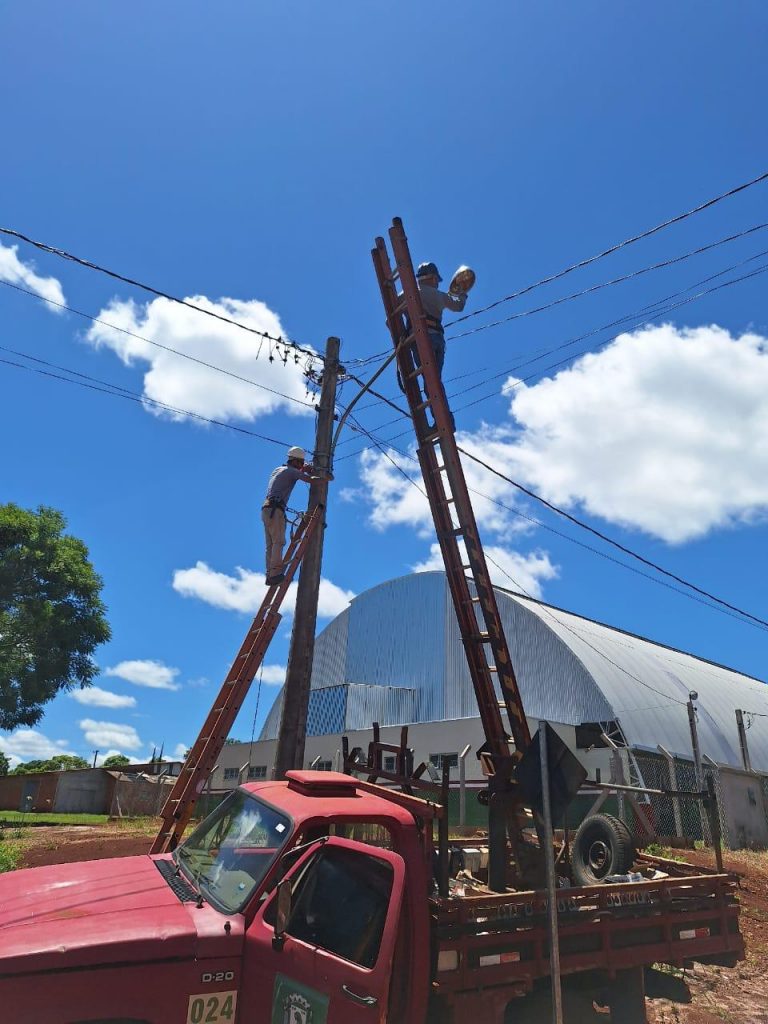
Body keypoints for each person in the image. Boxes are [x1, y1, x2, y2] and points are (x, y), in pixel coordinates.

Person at [410, 261, 469, 430]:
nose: (437, 283)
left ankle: (441, 419)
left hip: (416, 342)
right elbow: (458, 306)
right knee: (434, 381)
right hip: (435, 340)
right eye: (437, 279)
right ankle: (444, 419)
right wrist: (462, 292)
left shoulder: (405, 294)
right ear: (432, 278)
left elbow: (388, 322)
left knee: (430, 381)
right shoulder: (437, 295)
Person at [261, 446, 313, 585]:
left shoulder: (278, 469)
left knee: (271, 545)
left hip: (266, 509)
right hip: (275, 510)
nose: (302, 465)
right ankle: (275, 573)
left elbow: (296, 471)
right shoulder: (291, 471)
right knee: (279, 542)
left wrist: (303, 468)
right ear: (295, 461)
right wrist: (325, 476)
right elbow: (312, 480)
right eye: (300, 463)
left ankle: (270, 574)